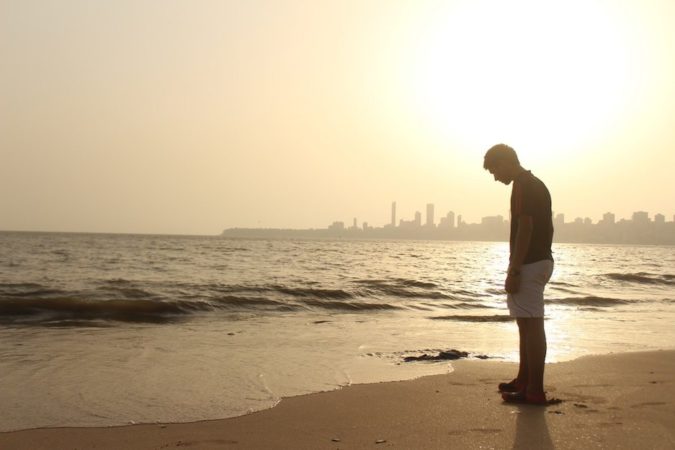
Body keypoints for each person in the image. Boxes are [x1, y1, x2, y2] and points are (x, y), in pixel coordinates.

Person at [483, 144, 554, 405]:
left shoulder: (523, 185)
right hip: (541, 259)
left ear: (506, 162)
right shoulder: (535, 184)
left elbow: (525, 228)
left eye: (494, 169)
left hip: (531, 262)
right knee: (526, 324)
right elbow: (547, 227)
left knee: (532, 325)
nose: (495, 176)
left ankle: (534, 389)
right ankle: (525, 380)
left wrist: (514, 268)